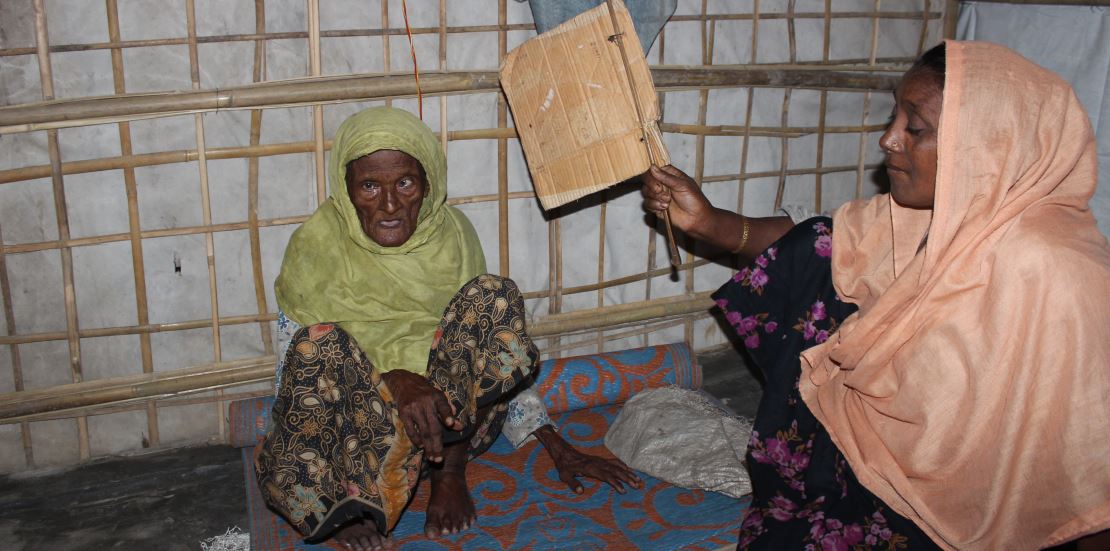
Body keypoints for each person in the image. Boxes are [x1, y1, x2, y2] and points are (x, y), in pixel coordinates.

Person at [641, 41, 1109, 550]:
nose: (888, 139)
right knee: (818, 251)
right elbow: (820, 245)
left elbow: (1091, 463)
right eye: (894, 118)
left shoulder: (1058, 273)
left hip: (974, 514)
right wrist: (708, 222)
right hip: (880, 469)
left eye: (916, 128)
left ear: (988, 145)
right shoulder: (937, 218)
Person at [255, 106, 640, 551]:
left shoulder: (453, 233)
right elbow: (296, 378)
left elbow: (486, 347)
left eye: (405, 183)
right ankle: (345, 503)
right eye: (369, 186)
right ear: (345, 189)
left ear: (429, 182)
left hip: (453, 425)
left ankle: (448, 474)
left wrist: (556, 445)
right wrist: (391, 382)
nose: (389, 205)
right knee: (315, 344)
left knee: (493, 295)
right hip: (361, 436)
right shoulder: (315, 245)